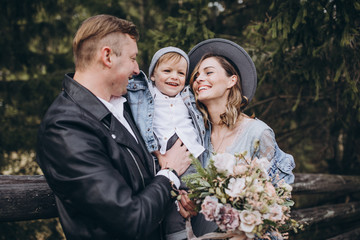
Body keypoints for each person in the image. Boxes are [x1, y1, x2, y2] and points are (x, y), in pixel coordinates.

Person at [36, 14, 193, 240]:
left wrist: (175, 199)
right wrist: (170, 175)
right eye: (132, 58)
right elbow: (129, 218)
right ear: (108, 56)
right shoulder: (64, 128)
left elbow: (143, 179)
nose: (137, 69)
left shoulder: (126, 106)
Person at [188, 38, 296, 238]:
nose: (198, 79)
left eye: (208, 72)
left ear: (232, 80)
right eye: (196, 75)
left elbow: (276, 200)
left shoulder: (258, 133)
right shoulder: (195, 134)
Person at [126, 47, 206, 240]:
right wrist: (157, 155)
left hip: (192, 159)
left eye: (181, 73)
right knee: (171, 207)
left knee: (195, 203)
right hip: (164, 158)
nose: (174, 77)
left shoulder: (187, 97)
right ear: (152, 75)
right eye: (167, 71)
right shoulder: (146, 95)